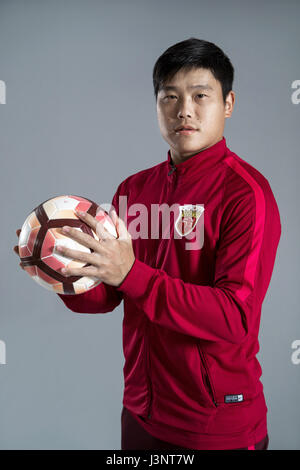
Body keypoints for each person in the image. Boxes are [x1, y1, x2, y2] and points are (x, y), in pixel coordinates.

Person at [14, 38, 281, 450]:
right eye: (169, 97)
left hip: (213, 425)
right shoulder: (135, 188)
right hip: (142, 414)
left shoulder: (247, 194)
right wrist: (58, 267)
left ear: (228, 104)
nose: (184, 110)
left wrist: (132, 273)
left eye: (200, 96)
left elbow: (235, 317)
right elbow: (107, 295)